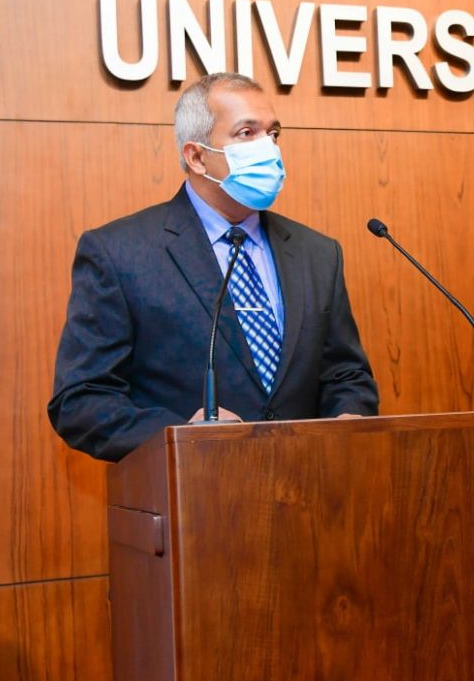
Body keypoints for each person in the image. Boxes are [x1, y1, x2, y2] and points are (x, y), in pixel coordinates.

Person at [49, 72, 378, 461]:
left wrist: (349, 418)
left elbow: (345, 374)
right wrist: (182, 437)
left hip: (310, 485)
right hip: (194, 489)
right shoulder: (119, 253)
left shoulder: (317, 253)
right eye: (246, 133)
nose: (268, 148)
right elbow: (81, 400)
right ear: (196, 157)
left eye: (273, 134)